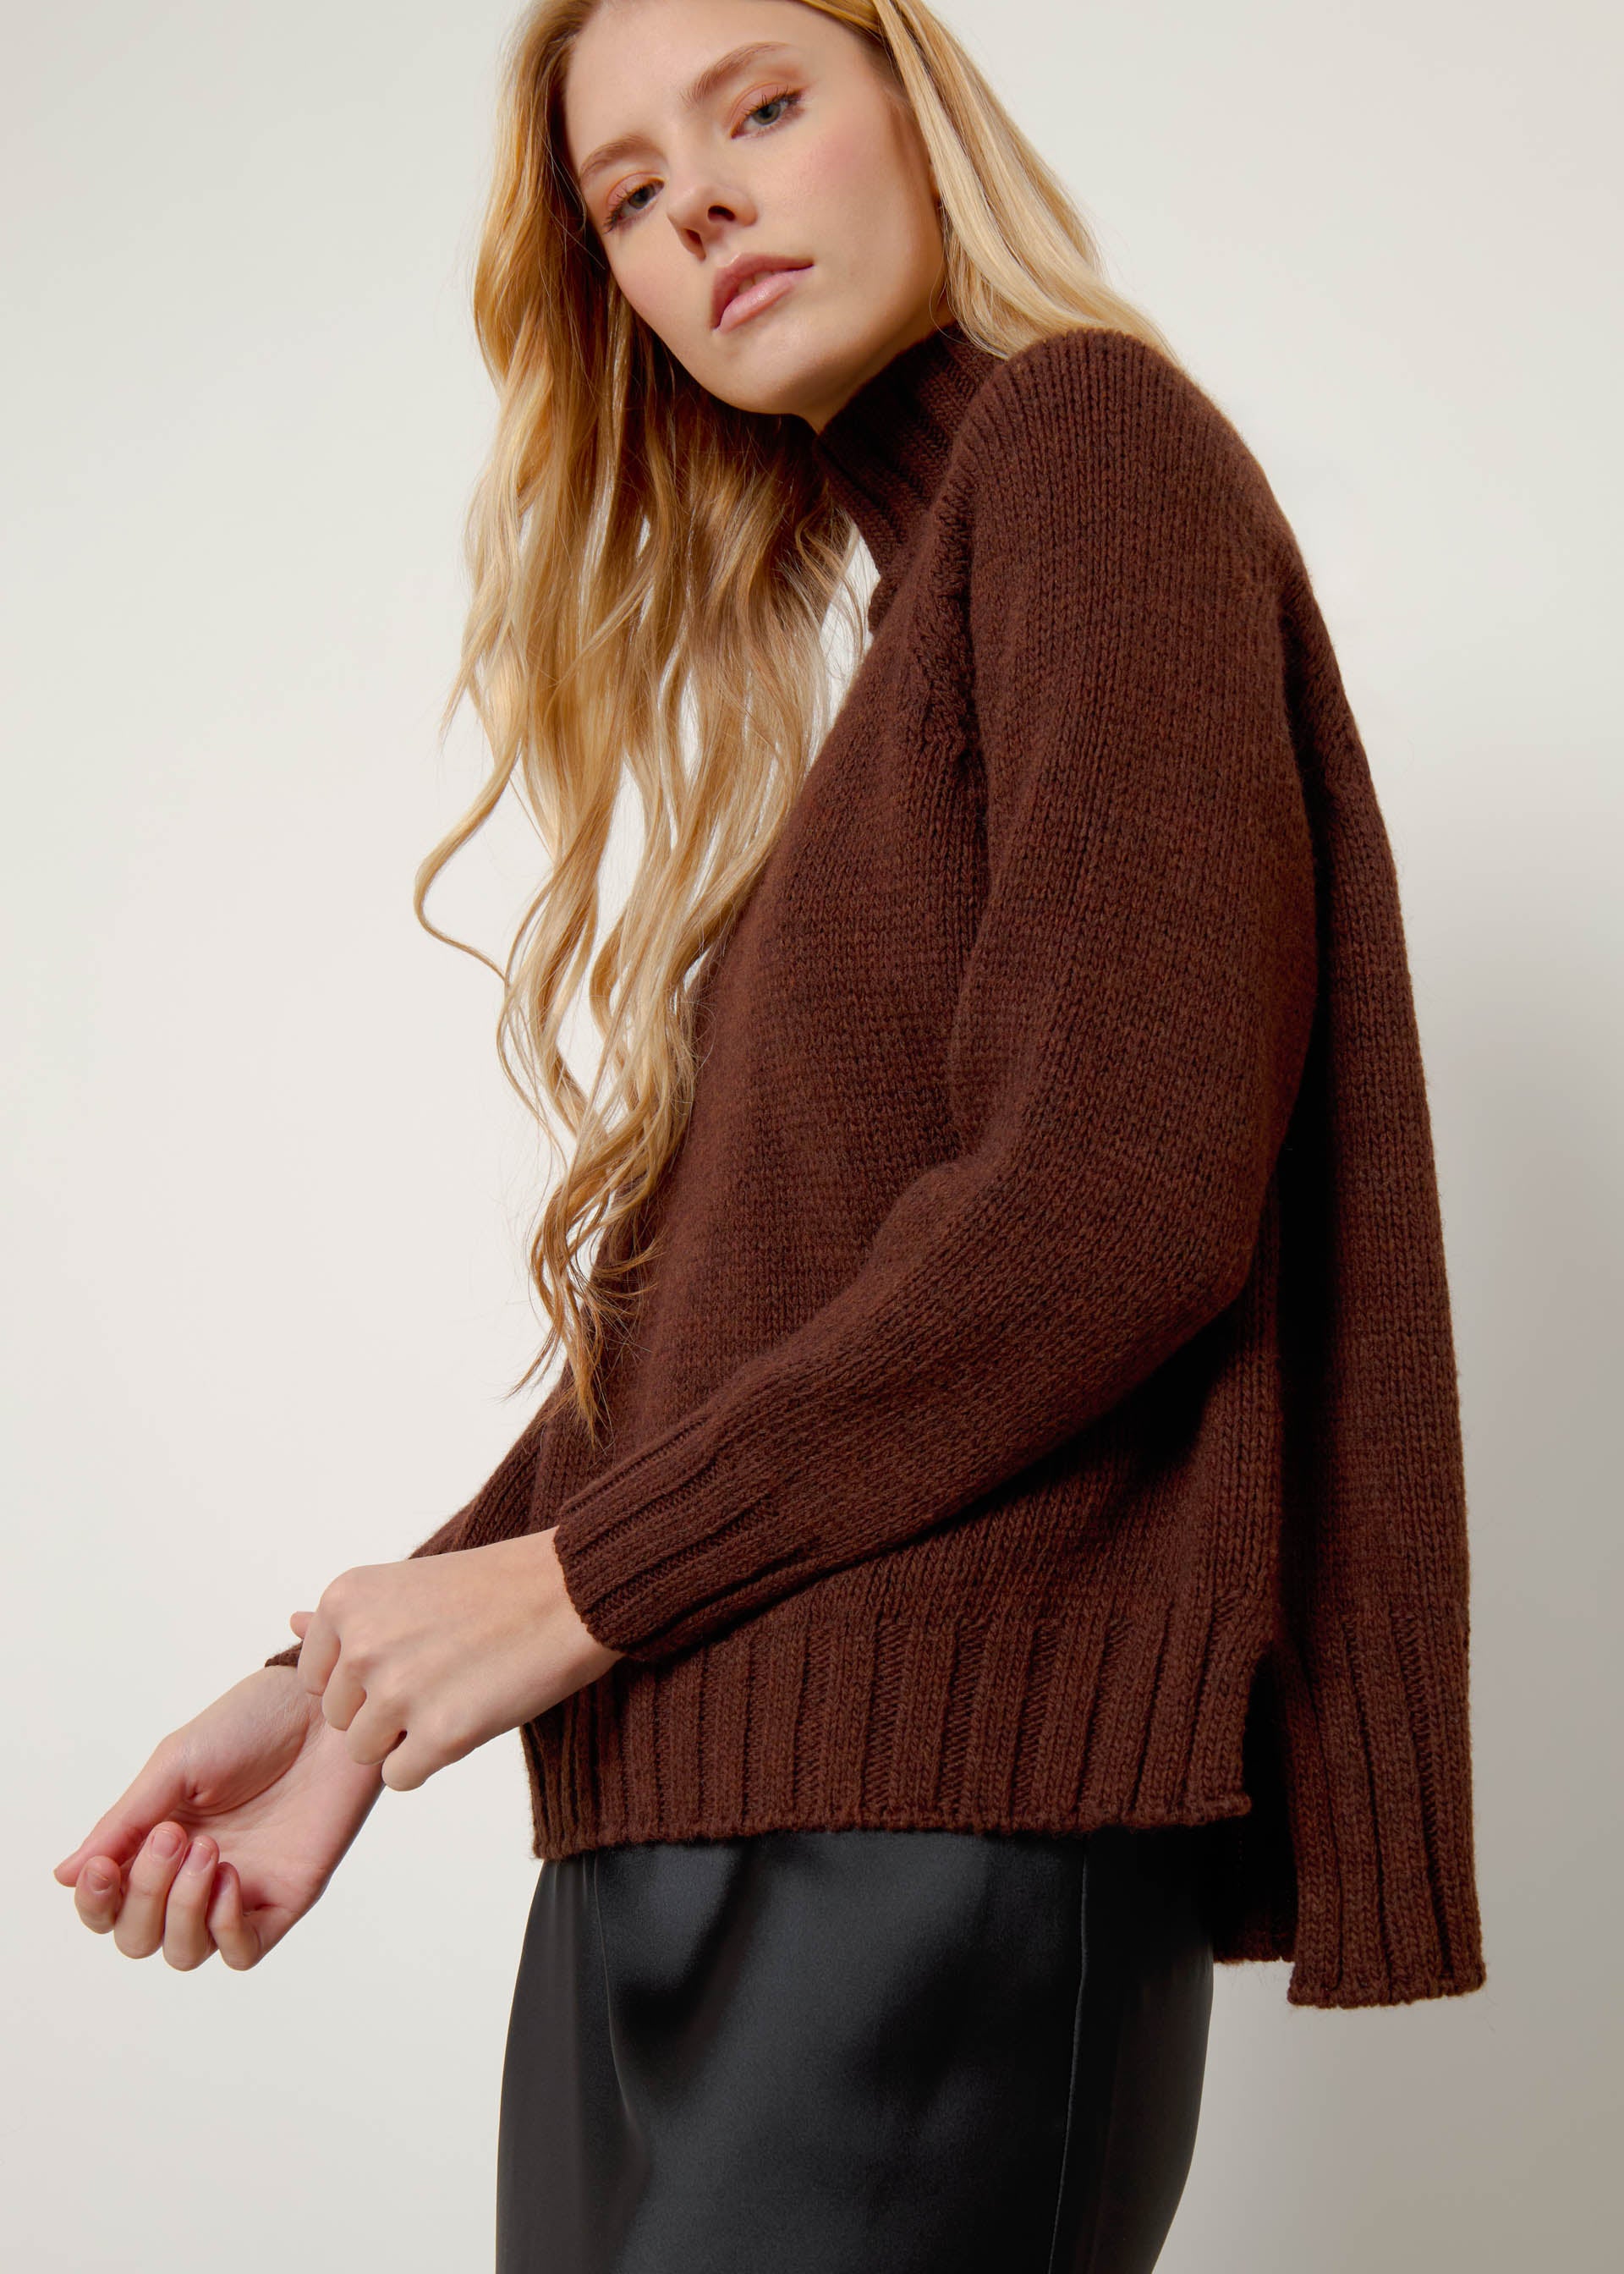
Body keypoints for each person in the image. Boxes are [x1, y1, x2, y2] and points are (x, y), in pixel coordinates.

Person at [52, 2, 1488, 2267]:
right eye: (629, 194)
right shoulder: (911, 645)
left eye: (763, 107)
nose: (700, 203)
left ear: (922, 117)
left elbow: (1113, 1208)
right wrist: (339, 1689)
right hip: (685, 1825)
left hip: (932, 1850)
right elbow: (756, 1320)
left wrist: (571, 1593)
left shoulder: (1093, 447)